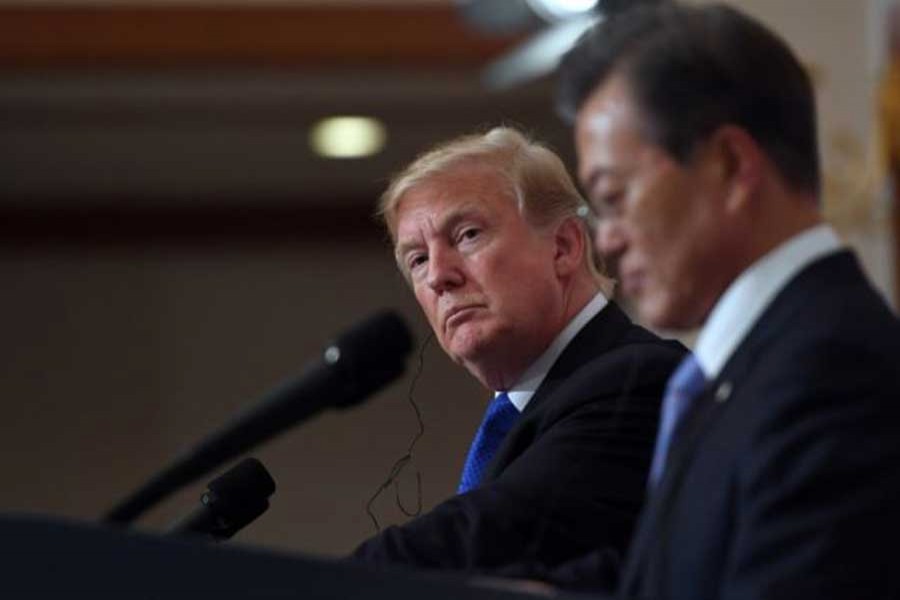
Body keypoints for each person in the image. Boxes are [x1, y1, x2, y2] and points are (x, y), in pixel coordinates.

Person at [557, 3, 900, 599]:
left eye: (614, 196)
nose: (606, 239)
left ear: (731, 165)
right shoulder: (746, 371)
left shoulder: (831, 376)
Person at [351, 126, 685, 591]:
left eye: (467, 235)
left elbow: (499, 532)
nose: (439, 277)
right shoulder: (531, 404)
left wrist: (312, 585)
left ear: (564, 246)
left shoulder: (636, 379)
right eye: (418, 260)